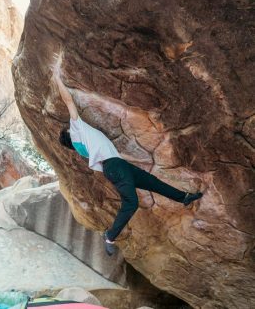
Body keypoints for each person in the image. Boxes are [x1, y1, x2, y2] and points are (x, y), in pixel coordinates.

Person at [51, 52, 203, 256]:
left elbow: (107, 150)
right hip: (114, 167)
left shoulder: (82, 145)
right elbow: (68, 101)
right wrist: (57, 77)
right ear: (70, 133)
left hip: (118, 165)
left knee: (152, 182)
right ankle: (110, 236)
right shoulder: (77, 130)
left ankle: (184, 198)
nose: (71, 124)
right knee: (131, 202)